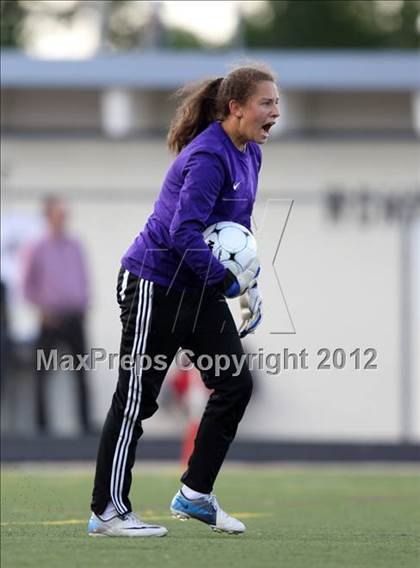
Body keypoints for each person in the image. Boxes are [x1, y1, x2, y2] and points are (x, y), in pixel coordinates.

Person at [88, 63, 280, 537]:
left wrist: (249, 285)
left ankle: (195, 494)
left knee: (235, 383)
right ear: (236, 108)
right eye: (267, 103)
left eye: (277, 102)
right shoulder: (209, 157)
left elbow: (238, 231)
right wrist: (225, 283)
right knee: (136, 401)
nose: (276, 111)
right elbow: (183, 233)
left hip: (197, 287)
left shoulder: (250, 153)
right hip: (155, 282)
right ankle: (107, 512)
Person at [23, 196, 91, 434]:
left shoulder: (75, 246)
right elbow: (27, 285)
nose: (63, 218)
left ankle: (85, 424)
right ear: (48, 216)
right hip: (50, 320)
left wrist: (84, 306)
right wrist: (42, 309)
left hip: (74, 318)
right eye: (59, 213)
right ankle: (42, 427)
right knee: (43, 373)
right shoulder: (36, 247)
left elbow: (83, 279)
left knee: (81, 372)